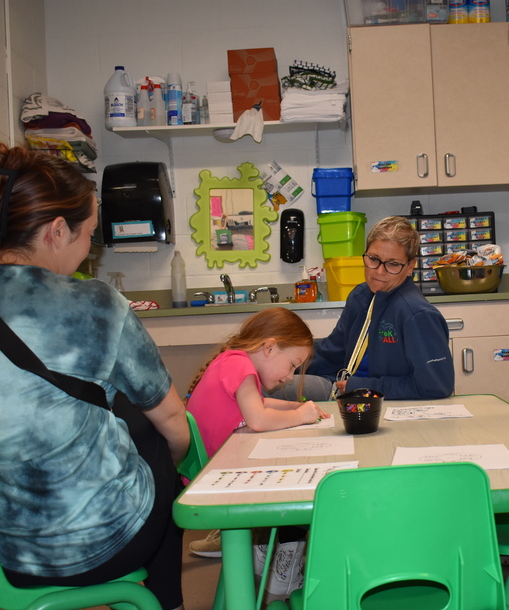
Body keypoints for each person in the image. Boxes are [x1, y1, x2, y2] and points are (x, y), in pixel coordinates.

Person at [0, 142, 205, 610]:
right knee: (159, 441)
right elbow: (174, 421)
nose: (89, 252)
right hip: (100, 547)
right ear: (55, 231)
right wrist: (184, 472)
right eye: (89, 235)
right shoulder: (93, 303)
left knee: (119, 425)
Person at [186, 307, 327, 561]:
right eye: (292, 365)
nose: (289, 376)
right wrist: (300, 416)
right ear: (270, 348)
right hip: (218, 477)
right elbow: (259, 419)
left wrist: (296, 407)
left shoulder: (235, 362)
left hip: (217, 468)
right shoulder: (239, 364)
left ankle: (273, 553)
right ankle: (282, 558)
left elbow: (263, 405)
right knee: (298, 480)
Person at [280, 216, 455, 401]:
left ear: (410, 266)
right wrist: (286, 353)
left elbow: (436, 386)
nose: (379, 271)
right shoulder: (361, 296)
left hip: (373, 398)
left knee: (272, 390)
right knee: (268, 379)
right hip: (340, 386)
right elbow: (332, 352)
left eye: (393, 264)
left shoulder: (417, 314)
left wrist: (362, 387)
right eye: (373, 259)